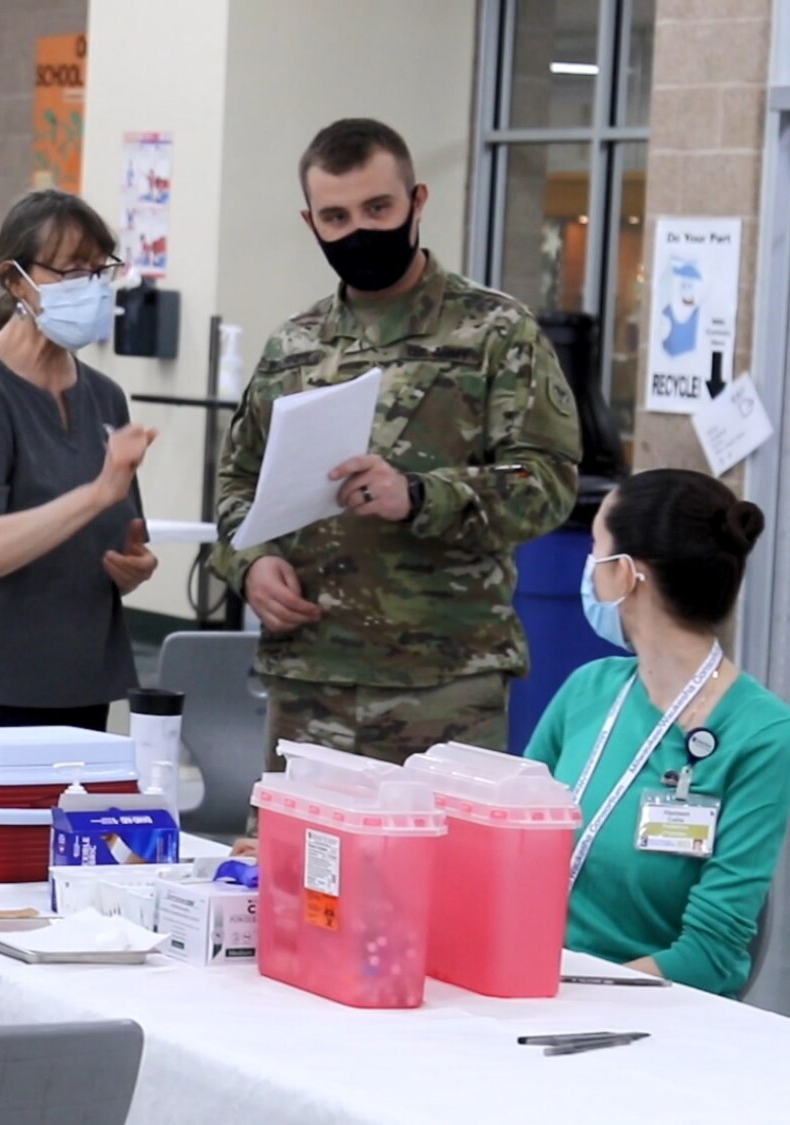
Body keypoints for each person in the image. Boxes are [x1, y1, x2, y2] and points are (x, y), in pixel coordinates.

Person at [214, 118, 581, 768]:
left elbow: (547, 485)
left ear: (417, 202)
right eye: (336, 216)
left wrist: (419, 495)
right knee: (299, 864)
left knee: (434, 868)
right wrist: (250, 563)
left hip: (443, 682)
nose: (359, 230)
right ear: (311, 224)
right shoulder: (294, 344)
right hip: (309, 680)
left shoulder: (496, 332)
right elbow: (238, 481)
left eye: (378, 207)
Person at [526, 470, 790, 997]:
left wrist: (571, 995)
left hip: (647, 1017)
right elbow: (507, 848)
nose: (588, 570)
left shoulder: (763, 735)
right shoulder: (588, 690)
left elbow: (710, 955)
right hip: (531, 987)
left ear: (627, 574)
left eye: (596, 548)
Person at [0, 189, 159, 760]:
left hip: (78, 685)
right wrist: (96, 494)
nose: (90, 287)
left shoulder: (104, 397)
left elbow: (116, 531)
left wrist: (133, 565)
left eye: (100, 271)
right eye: (70, 271)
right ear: (16, 280)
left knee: (68, 848)